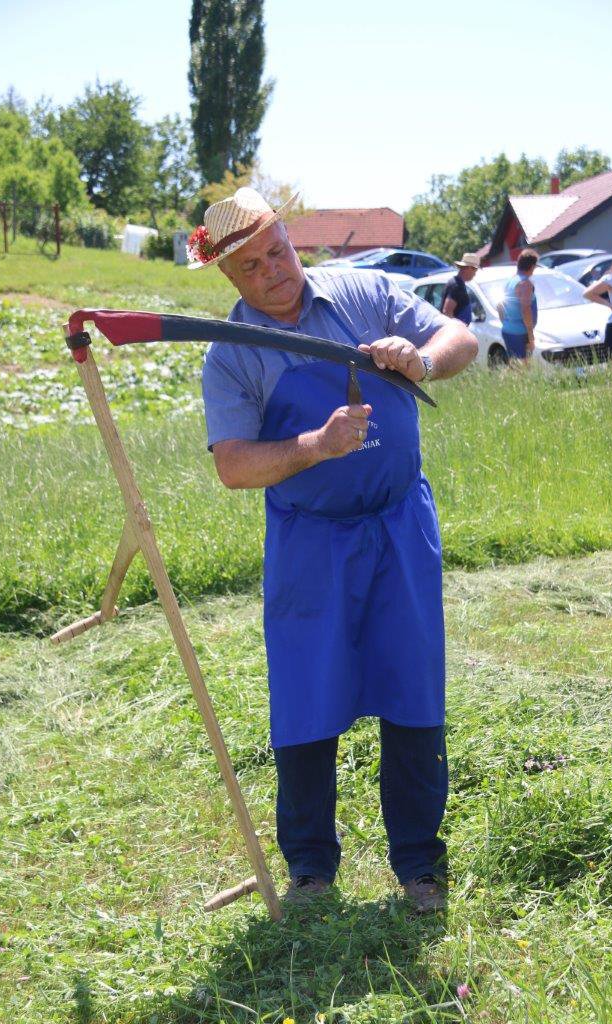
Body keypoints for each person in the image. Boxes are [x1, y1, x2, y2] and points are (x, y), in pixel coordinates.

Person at [194, 187, 478, 911]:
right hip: (310, 544)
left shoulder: (362, 290)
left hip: (399, 527)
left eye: (278, 251)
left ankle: (420, 867)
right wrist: (316, 446)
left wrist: (419, 358)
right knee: (307, 699)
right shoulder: (233, 356)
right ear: (230, 277)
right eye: (253, 266)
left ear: (292, 238)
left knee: (413, 689)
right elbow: (232, 465)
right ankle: (312, 873)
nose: (274, 272)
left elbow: (461, 341)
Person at [498, 248, 539, 362]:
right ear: (532, 266)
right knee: (523, 369)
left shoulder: (510, 281)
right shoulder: (525, 283)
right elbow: (526, 309)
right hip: (520, 333)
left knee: (514, 366)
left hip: (508, 330)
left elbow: (499, 306)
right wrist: (530, 336)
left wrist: (506, 322)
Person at [440, 253, 480, 325]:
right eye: (475, 270)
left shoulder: (459, 283)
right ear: (468, 268)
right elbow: (447, 312)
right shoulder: (456, 285)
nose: (475, 274)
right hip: (455, 332)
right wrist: (459, 329)